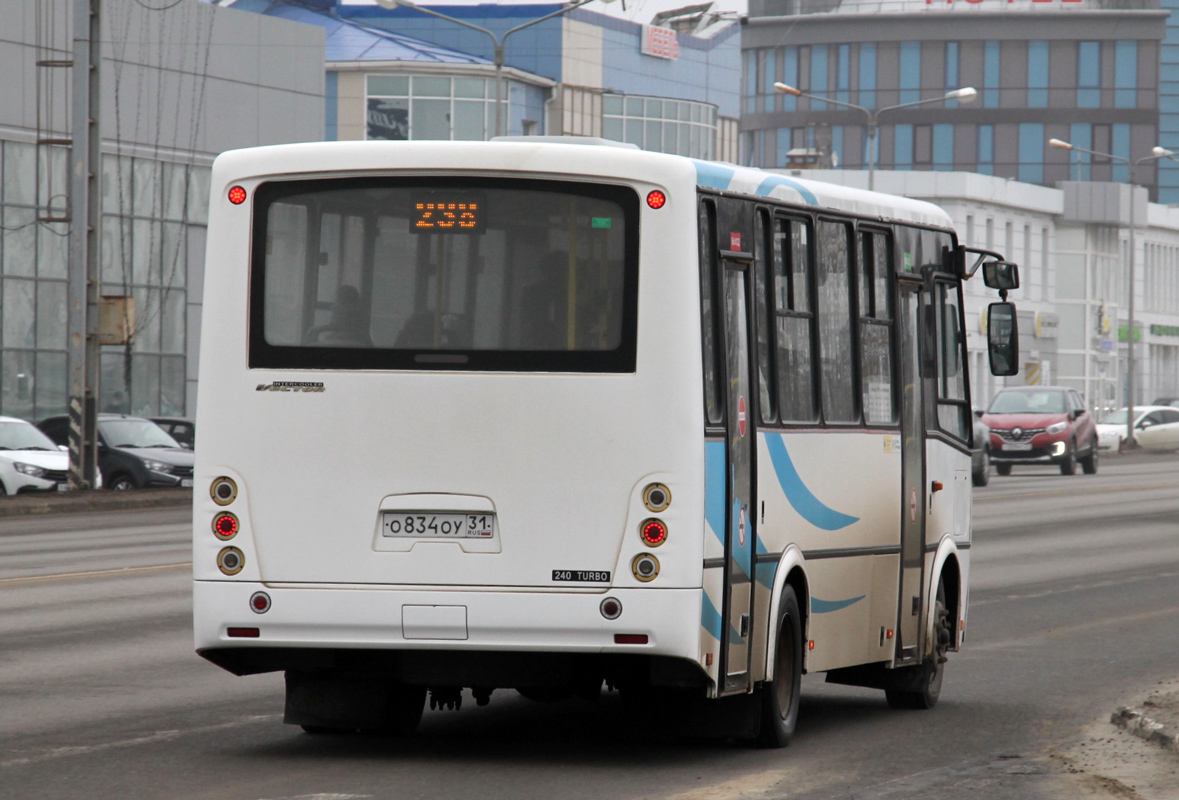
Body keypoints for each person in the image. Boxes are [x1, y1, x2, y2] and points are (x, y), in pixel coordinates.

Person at [306, 285, 373, 347]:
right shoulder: (364, 340)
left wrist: (312, 336)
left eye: (336, 302)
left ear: (344, 310)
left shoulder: (329, 343)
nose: (332, 307)